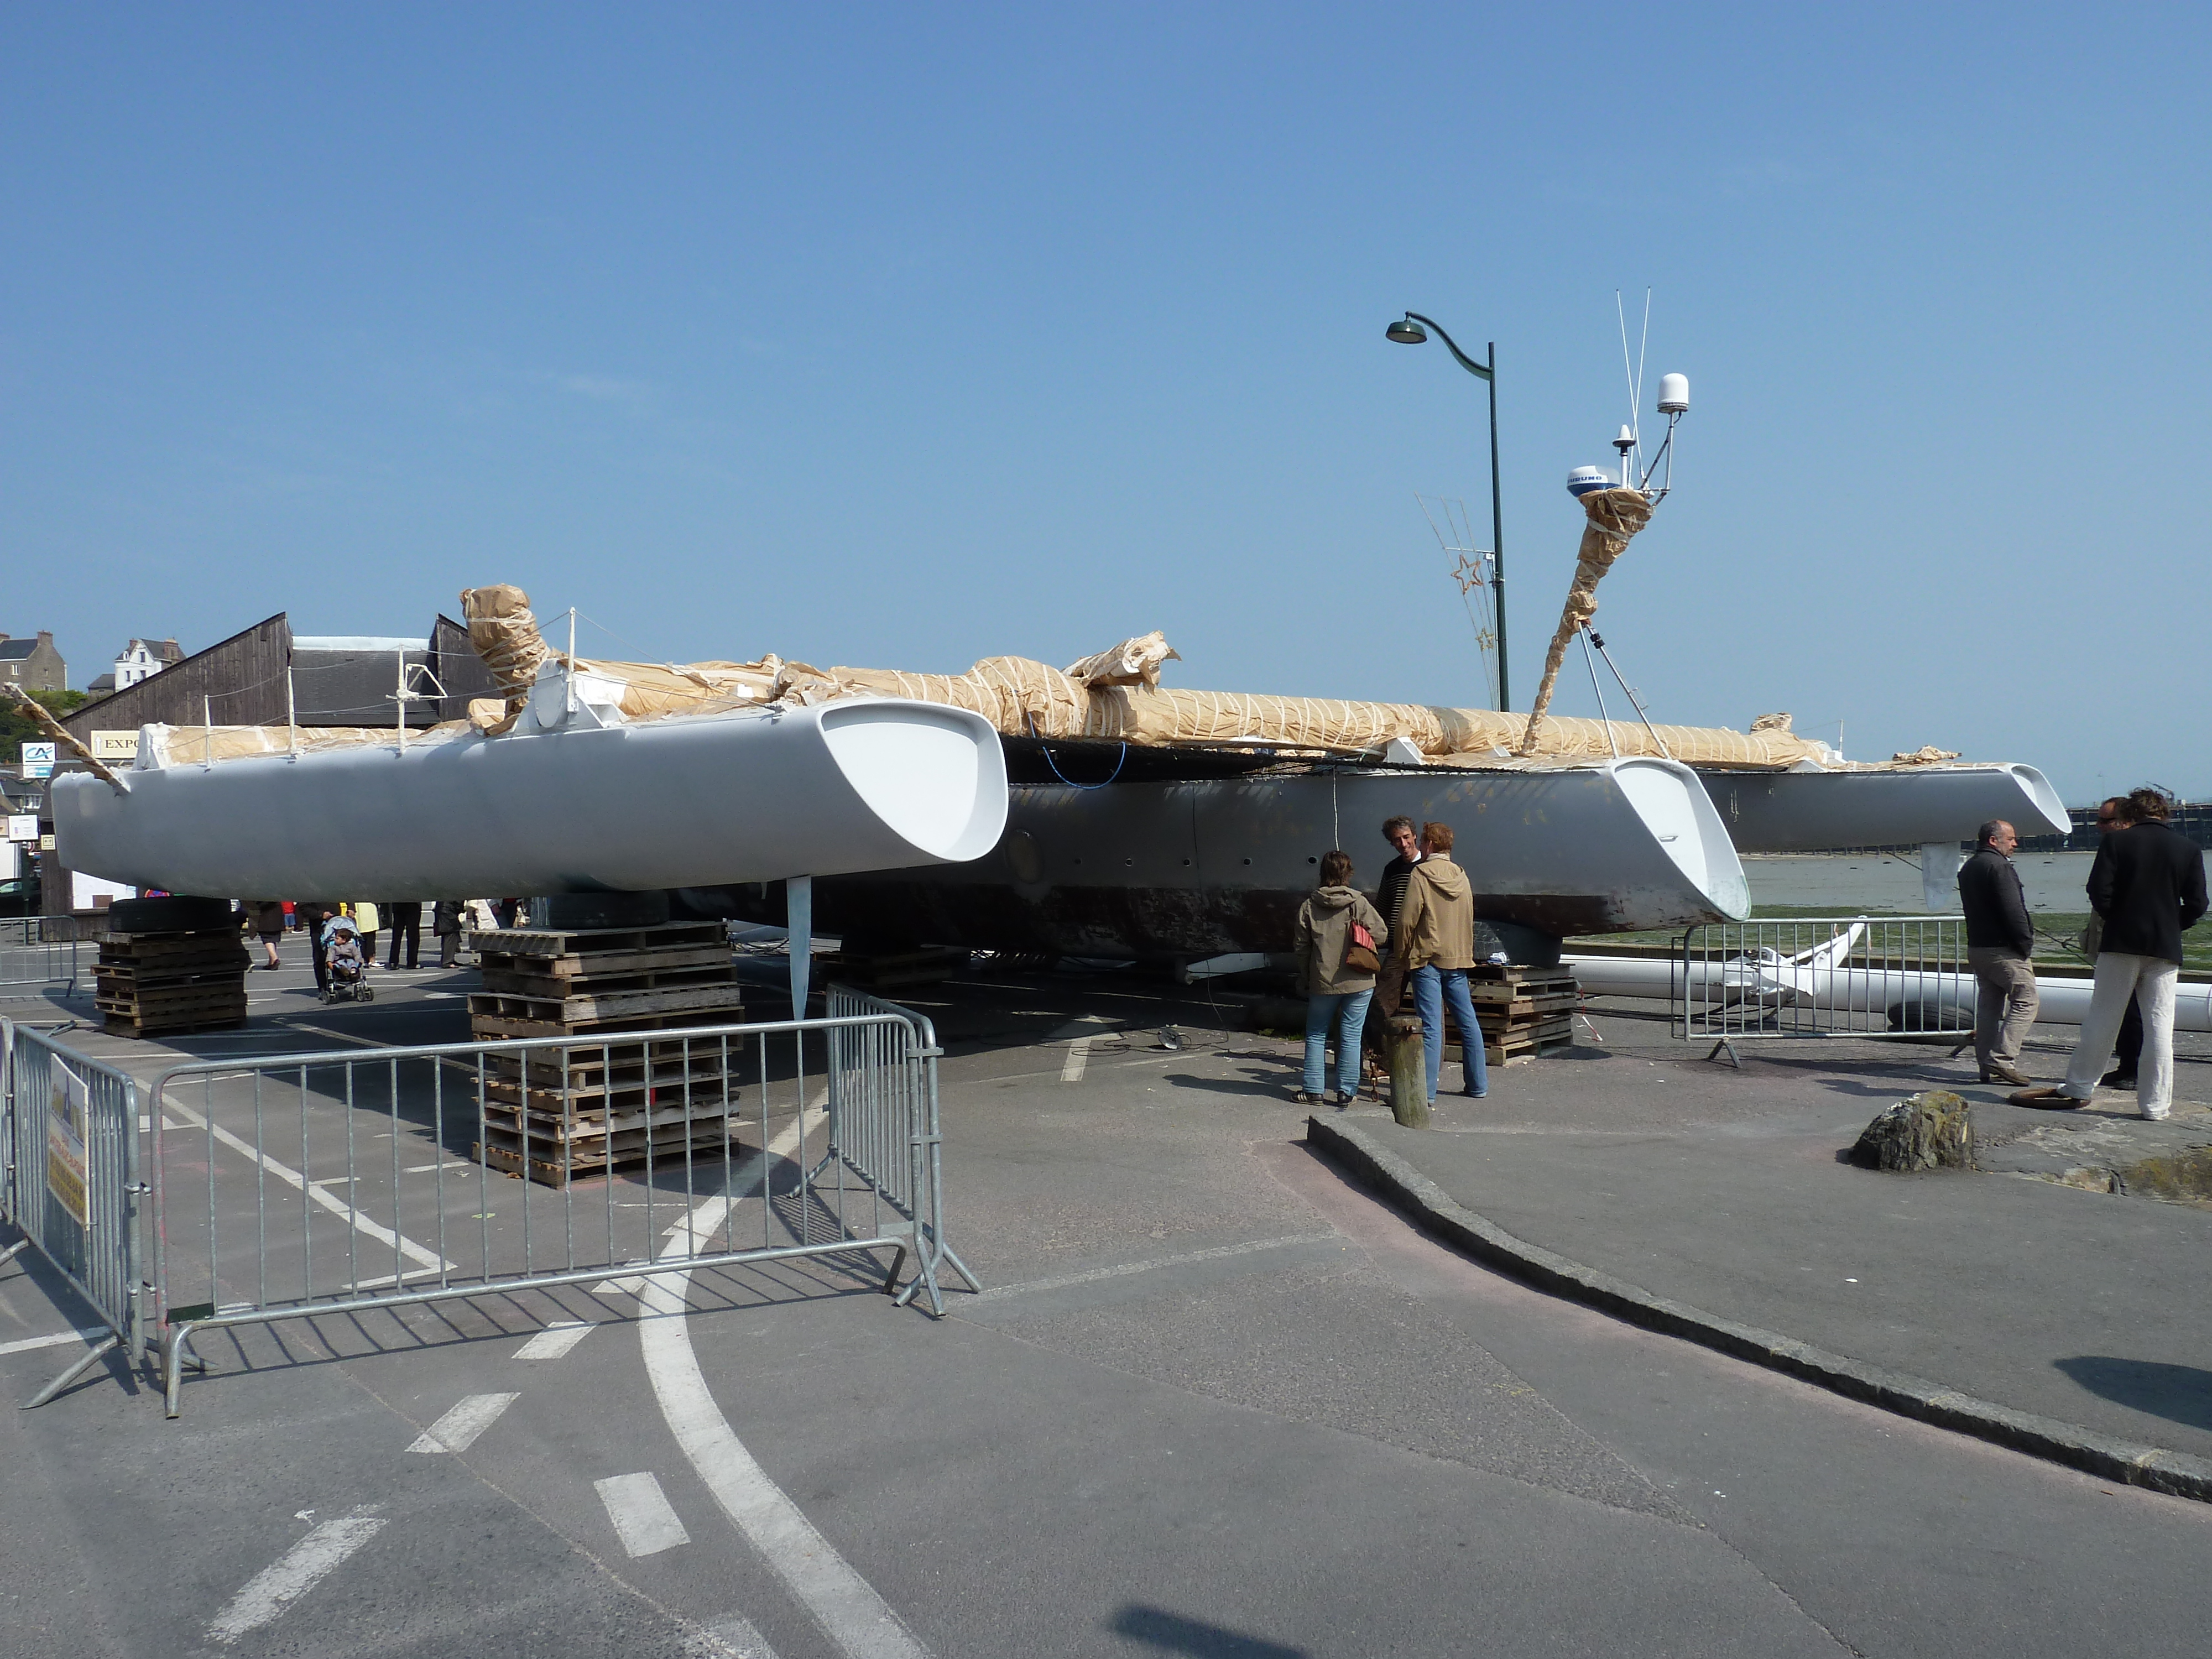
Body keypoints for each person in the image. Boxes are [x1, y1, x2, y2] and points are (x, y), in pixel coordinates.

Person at [2036, 786, 2207, 1120]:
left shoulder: (2116, 842)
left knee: (2103, 1017)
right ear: (2165, 813)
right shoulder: (2188, 848)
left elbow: (2098, 891)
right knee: (2159, 1025)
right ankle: (2156, 1105)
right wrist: (2174, 925)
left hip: (2120, 943)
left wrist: (2117, 918)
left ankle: (2080, 1086)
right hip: (2165, 946)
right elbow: (2199, 903)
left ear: (2131, 815)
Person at [1394, 821, 1487, 1103]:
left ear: (1430, 845)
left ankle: (1426, 1094)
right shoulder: (1461, 874)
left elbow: (1407, 919)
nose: (1420, 845)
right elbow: (1468, 914)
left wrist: (1401, 954)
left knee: (1432, 1027)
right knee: (1468, 1022)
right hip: (1457, 958)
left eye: (1422, 841)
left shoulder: (1420, 874)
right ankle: (1478, 1085)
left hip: (1427, 959)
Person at [1293, 850, 1389, 1105]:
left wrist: (1308, 977)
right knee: (1351, 1035)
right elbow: (1381, 934)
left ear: (1322, 873)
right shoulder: (1358, 903)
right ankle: (1347, 1092)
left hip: (1323, 981)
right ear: (1349, 873)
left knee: (1316, 1034)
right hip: (1359, 980)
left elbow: (1301, 948)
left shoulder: (1309, 906)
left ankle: (1313, 1090)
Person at [1958, 819, 2037, 1086]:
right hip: (2003, 950)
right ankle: (2002, 1058)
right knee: (2027, 1000)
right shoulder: (2000, 867)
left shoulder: (1970, 867)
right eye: (2011, 839)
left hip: (1977, 947)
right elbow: (2013, 911)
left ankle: (1985, 1065)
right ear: (1994, 841)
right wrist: (2025, 944)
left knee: (1990, 1006)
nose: (2015, 844)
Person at [2085, 797, 2146, 1089]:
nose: (2099, 827)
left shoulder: (2123, 849)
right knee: (2124, 1008)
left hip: (2128, 940)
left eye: (2105, 821)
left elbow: (2099, 891)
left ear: (2125, 822)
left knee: (2131, 1008)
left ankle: (2133, 1068)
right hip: (2124, 938)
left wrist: (2115, 919)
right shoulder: (2117, 847)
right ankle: (2128, 1064)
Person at [293, 899, 338, 994]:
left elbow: (348, 895)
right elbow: (303, 907)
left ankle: (339, 980)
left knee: (341, 954)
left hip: (339, 925)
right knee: (320, 958)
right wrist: (321, 914)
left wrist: (351, 908)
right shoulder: (311, 890)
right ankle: (323, 987)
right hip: (319, 928)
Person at [246, 900, 286, 970]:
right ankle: (271, 962)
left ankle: (274, 958)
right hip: (277, 914)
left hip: (265, 915)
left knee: (267, 938)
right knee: (273, 938)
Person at [384, 900, 423, 971]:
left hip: (398, 904)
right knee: (413, 935)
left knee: (397, 935)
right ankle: (412, 963)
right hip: (413, 904)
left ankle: (393, 962)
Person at [433, 898, 465, 969]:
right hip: (448, 912)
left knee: (449, 936)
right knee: (450, 936)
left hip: (446, 911)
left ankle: (450, 960)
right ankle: (447, 962)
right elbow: (458, 902)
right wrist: (461, 909)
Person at [350, 900, 380, 966]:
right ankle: (370, 960)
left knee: (364, 936)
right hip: (363, 907)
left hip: (362, 907)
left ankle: (365, 959)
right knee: (369, 936)